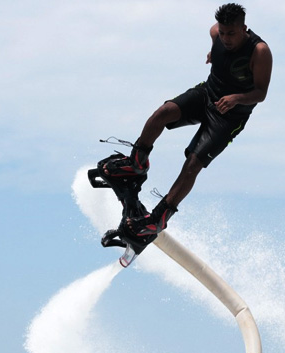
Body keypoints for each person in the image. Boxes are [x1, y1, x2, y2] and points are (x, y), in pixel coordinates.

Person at [101, 3, 272, 238]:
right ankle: (136, 165)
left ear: (244, 28)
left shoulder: (260, 51)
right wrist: (216, 50)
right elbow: (219, 43)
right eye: (222, 33)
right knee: (162, 112)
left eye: (231, 34)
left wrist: (236, 98)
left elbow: (261, 93)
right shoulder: (216, 34)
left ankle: (158, 219)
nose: (226, 38)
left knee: (193, 164)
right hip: (207, 94)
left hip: (230, 117)